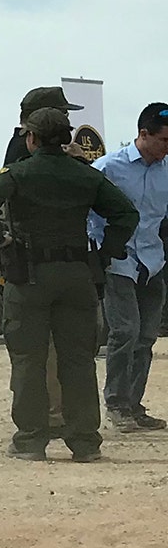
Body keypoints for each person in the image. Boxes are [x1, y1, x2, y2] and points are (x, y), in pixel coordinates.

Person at [0, 108, 138, 462]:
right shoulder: (84, 176)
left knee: (28, 359)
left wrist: (0, 242)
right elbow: (126, 213)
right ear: (66, 139)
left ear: (31, 138)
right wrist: (107, 251)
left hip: (28, 276)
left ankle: (31, 440)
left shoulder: (17, 173)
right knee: (78, 360)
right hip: (77, 273)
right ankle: (85, 442)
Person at [91, 102, 168, 432]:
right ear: (143, 134)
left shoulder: (167, 171)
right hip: (117, 261)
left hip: (152, 262)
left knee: (146, 336)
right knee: (125, 331)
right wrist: (98, 253)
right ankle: (116, 403)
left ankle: (133, 405)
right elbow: (87, 215)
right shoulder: (108, 167)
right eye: (164, 140)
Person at [2, 86, 84, 168]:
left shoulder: (21, 143)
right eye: (64, 114)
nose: (65, 119)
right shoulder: (28, 148)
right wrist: (80, 160)